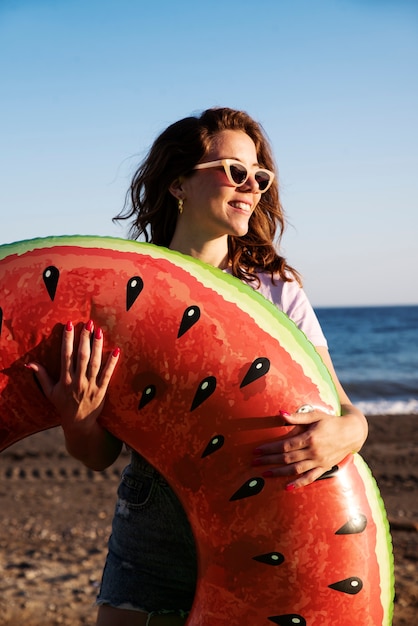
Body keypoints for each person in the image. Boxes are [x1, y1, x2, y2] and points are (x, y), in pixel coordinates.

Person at [29, 107, 368, 626]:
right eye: (234, 170)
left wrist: (350, 430)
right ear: (178, 183)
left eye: (260, 176)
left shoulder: (277, 288)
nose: (250, 186)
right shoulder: (124, 289)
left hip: (268, 523)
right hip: (150, 532)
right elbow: (99, 456)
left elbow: (345, 409)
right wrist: (78, 420)